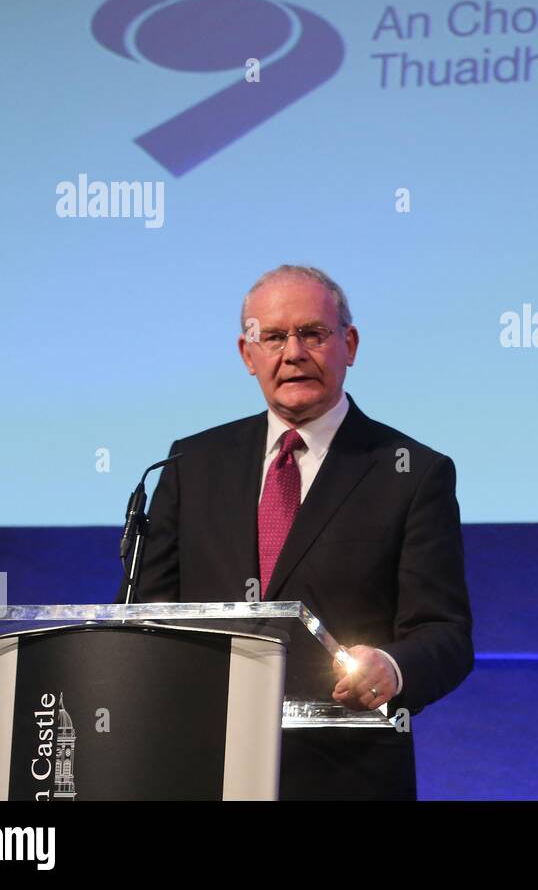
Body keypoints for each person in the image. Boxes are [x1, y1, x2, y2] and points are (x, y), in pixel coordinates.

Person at [122, 263, 473, 799]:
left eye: (313, 333)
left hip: (345, 775)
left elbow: (445, 636)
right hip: (201, 768)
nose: (293, 353)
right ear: (248, 354)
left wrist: (393, 668)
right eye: (274, 337)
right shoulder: (190, 464)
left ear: (349, 344)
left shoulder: (411, 472)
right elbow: (150, 617)